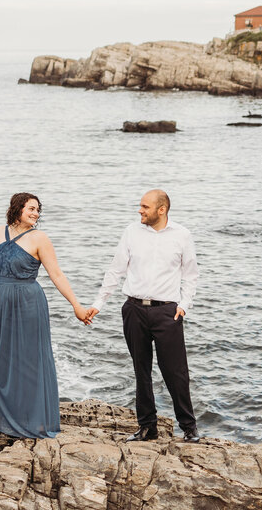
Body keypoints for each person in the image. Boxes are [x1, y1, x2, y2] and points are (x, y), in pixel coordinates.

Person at [0, 192, 91, 438]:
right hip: (1, 301)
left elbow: (57, 274)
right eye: (31, 208)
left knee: (28, 361)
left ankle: (33, 421)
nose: (35, 214)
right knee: (0, 359)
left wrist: (76, 305)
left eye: (38, 210)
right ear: (17, 208)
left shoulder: (39, 238)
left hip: (28, 303)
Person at [83, 189, 200, 443]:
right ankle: (148, 427)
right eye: (140, 206)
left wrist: (184, 304)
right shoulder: (131, 232)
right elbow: (115, 271)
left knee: (176, 371)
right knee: (141, 370)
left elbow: (191, 275)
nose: (140, 210)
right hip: (134, 309)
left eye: (145, 207)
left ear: (162, 209)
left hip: (168, 312)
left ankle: (189, 428)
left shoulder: (182, 235)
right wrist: (98, 303)